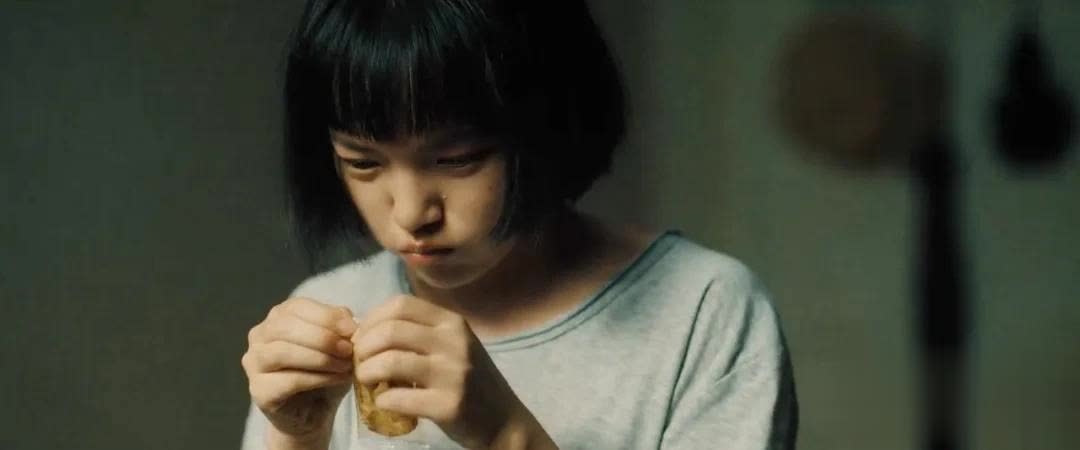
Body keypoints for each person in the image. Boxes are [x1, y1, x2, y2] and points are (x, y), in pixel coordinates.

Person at [240, 1, 798, 449]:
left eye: (457, 160)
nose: (410, 214)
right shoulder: (326, 309)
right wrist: (298, 439)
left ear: (548, 125)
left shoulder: (703, 311)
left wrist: (505, 434)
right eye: (363, 162)